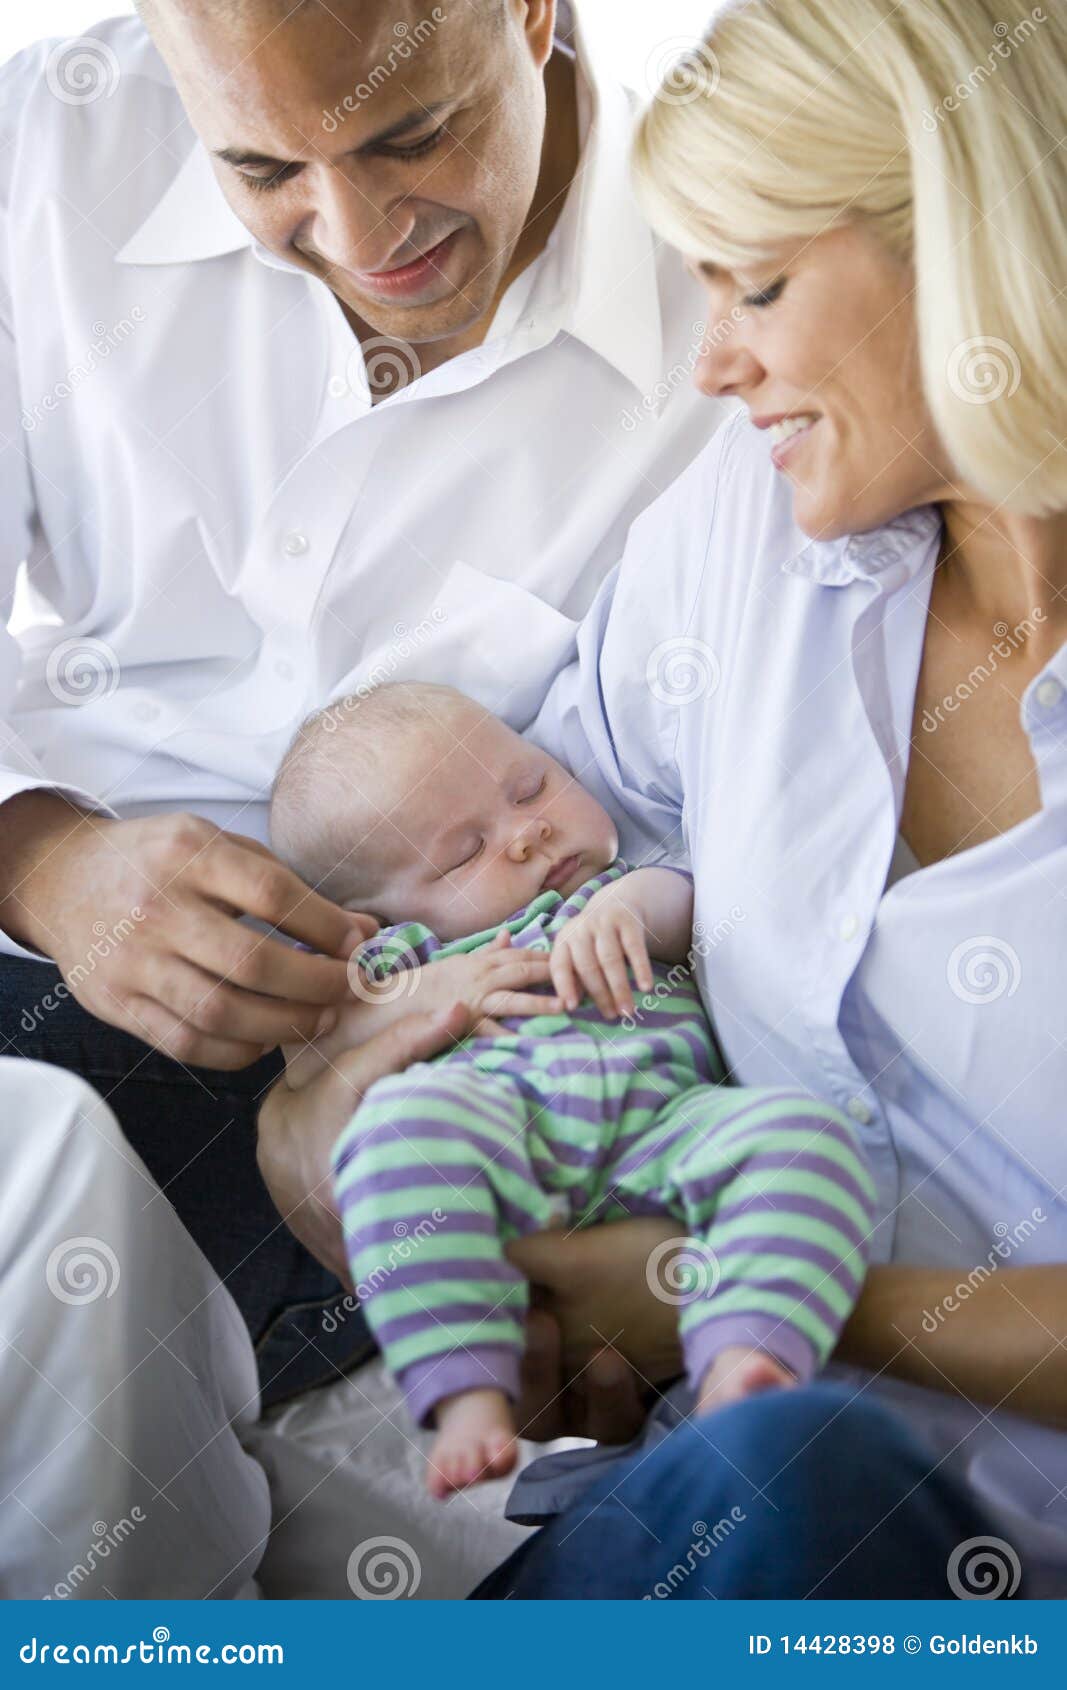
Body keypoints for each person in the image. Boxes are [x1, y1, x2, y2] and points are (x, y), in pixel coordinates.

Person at [268, 0, 1067, 1597]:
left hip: (931, 1543)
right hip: (683, 1525)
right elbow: (507, 857)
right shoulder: (743, 536)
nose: (710, 361)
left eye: (756, 282)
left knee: (799, 1468)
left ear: (987, 254)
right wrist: (326, 1129)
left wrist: (735, 1293)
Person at [0, 0, 723, 1405]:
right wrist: (41, 857)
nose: (353, 229)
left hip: (460, 1088)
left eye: (412, 132)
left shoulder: (732, 313)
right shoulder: (45, 147)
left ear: (533, 15)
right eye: (262, 172)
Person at [268, 681, 874, 1495]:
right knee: (397, 1133)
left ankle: (750, 1352)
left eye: (531, 786)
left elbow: (682, 901)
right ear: (374, 924)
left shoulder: (617, 888)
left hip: (668, 1127)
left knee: (801, 1141)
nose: (528, 832)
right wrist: (416, 996)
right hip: (501, 1132)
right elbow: (314, 1044)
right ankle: (466, 1395)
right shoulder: (406, 961)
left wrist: (625, 907)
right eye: (461, 853)